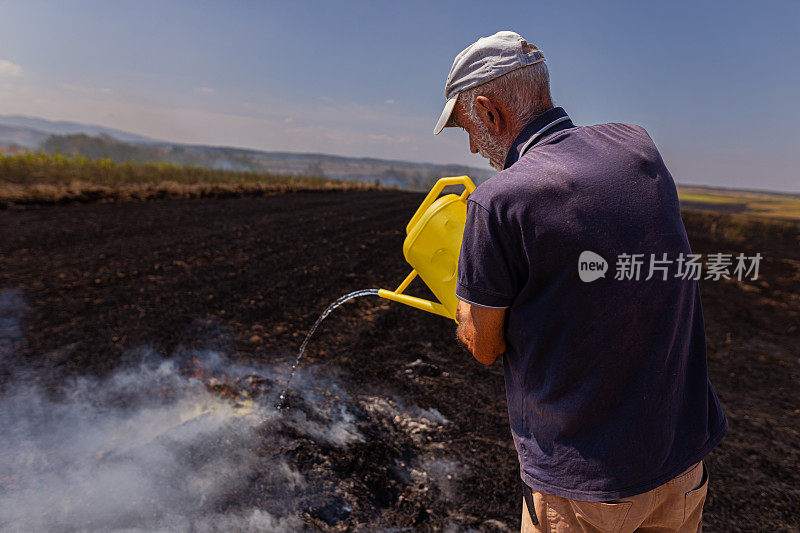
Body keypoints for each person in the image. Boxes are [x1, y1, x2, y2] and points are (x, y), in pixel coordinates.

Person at [434, 31, 727, 532]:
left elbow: (485, 346)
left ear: (488, 111)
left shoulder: (498, 201)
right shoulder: (638, 146)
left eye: (465, 127)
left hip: (586, 491)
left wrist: (466, 315)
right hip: (681, 460)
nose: (471, 145)